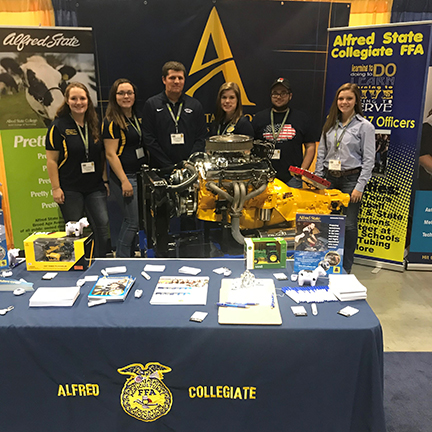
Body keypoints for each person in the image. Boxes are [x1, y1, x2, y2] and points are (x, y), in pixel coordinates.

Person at [315, 82, 375, 273]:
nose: (344, 102)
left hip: (351, 180)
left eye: (349, 98)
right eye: (341, 98)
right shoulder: (330, 122)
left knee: (348, 225)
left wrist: (360, 186)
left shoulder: (365, 127)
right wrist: (317, 179)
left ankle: (346, 266)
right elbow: (321, 153)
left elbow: (369, 159)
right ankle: (325, 264)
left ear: (356, 101)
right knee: (326, 223)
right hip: (328, 179)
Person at [46, 82, 109, 258]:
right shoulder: (58, 126)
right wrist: (56, 188)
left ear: (88, 100)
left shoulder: (94, 123)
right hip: (70, 187)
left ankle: (101, 261)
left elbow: (101, 156)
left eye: (82, 98)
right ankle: (78, 266)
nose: (78, 102)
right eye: (74, 98)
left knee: (102, 225)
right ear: (67, 100)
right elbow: (51, 160)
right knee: (74, 230)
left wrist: (104, 181)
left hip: (95, 187)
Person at [103, 78, 146, 257]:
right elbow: (110, 154)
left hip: (139, 175)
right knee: (131, 222)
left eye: (129, 93)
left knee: (137, 222)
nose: (126, 96)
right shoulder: (112, 121)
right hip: (125, 177)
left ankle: (131, 255)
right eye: (121, 93)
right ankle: (121, 258)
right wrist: (124, 181)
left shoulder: (134, 117)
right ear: (114, 96)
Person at [252, 77, 316, 187]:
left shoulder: (301, 118)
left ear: (290, 96)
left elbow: (310, 146)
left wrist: (302, 171)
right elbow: (250, 146)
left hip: (292, 179)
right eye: (275, 93)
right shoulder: (259, 118)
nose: (279, 97)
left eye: (283, 93)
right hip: (264, 177)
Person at [143, 61, 207, 168]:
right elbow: (149, 139)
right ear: (164, 80)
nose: (177, 81)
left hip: (189, 169)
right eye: (172, 78)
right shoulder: (152, 104)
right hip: (160, 169)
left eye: (180, 78)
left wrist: (188, 163)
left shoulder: (195, 105)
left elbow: (201, 138)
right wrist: (168, 166)